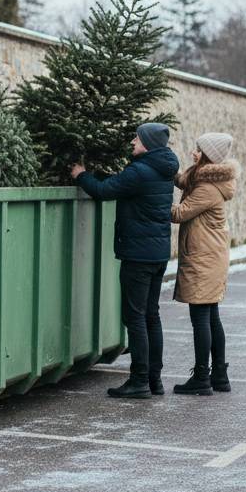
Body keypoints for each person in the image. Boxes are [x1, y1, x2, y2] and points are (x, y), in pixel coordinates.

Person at [70, 122, 179, 399]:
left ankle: (139, 380)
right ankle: (154, 379)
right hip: (157, 254)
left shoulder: (140, 171)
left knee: (135, 317)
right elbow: (121, 184)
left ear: (148, 143)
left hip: (138, 255)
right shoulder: (163, 169)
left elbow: (105, 190)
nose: (132, 141)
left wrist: (81, 175)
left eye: (137, 138)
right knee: (151, 315)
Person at [170, 132, 238, 395]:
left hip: (203, 259)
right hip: (210, 257)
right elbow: (184, 179)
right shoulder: (206, 179)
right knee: (211, 316)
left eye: (198, 150)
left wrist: (154, 197)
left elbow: (178, 213)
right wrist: (166, 172)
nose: (193, 153)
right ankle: (219, 375)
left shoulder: (208, 188)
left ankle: (201, 377)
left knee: (201, 317)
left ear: (208, 155)